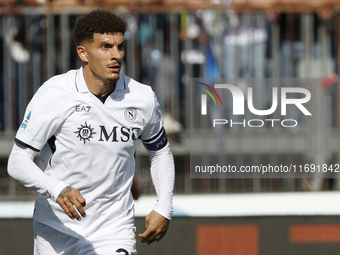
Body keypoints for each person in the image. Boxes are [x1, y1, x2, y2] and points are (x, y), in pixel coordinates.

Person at [7, 9, 175, 255]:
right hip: (56, 229)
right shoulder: (54, 94)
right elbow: (17, 161)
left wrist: (164, 206)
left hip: (113, 229)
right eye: (105, 47)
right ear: (83, 53)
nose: (116, 55)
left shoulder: (142, 98)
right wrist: (57, 189)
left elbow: (160, 153)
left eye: (120, 46)